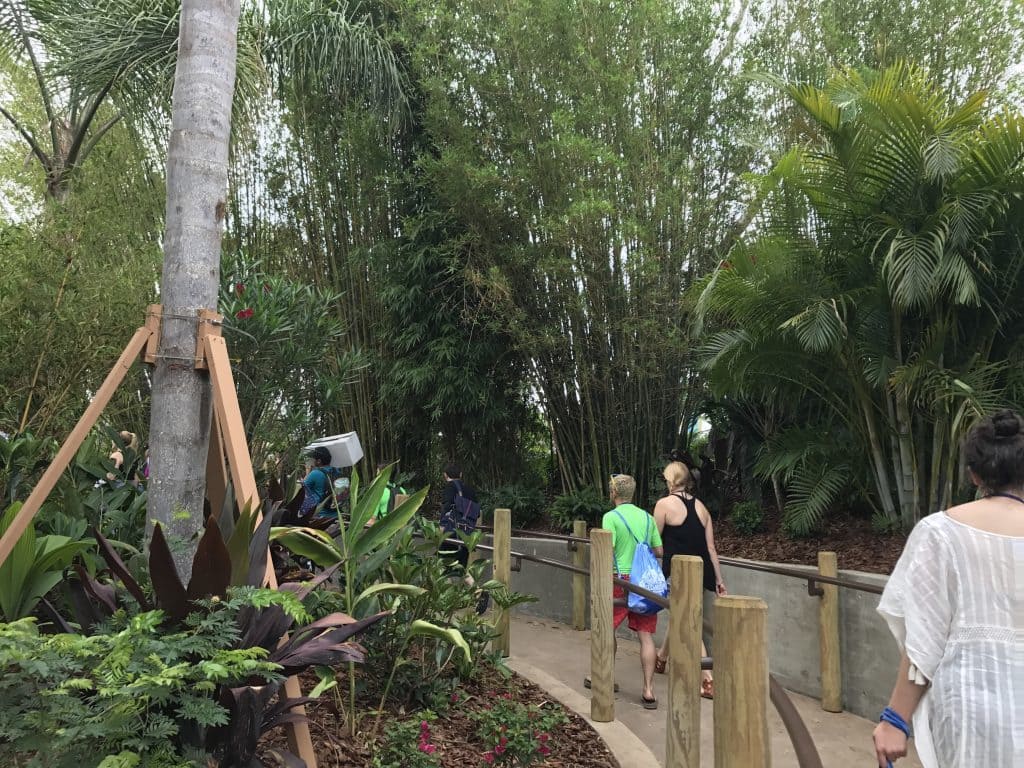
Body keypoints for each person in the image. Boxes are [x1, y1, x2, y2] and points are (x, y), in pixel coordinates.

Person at [873, 409, 1024, 768]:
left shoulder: (940, 531)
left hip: (970, 711)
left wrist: (896, 718)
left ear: (973, 474)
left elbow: (924, 641)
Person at [652, 460, 726, 698]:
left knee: (687, 619)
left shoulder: (663, 504)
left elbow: (655, 542)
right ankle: (662, 658)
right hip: (701, 570)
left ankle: (707, 678)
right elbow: (711, 548)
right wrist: (718, 579)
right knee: (682, 615)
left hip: (679, 572)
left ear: (670, 480)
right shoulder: (702, 508)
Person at [600, 473, 664, 710]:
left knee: (607, 627)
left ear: (613, 493)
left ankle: (605, 677)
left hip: (621, 578)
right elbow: (659, 550)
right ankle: (648, 689)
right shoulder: (648, 518)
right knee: (646, 635)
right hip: (644, 581)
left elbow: (606, 548)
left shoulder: (610, 517)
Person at [438, 463, 489, 614]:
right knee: (459, 568)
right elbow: (477, 513)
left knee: (442, 564)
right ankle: (478, 591)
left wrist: (442, 529)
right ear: (461, 474)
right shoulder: (470, 491)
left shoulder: (450, 488)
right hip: (466, 534)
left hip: (451, 533)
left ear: (445, 475)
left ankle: (446, 601)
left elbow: (447, 509)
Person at [298, 446, 336, 519]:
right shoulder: (336, 471)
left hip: (320, 516)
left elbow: (302, 490)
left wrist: (308, 472)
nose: (312, 461)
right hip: (336, 514)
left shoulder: (315, 473)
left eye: (313, 459)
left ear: (319, 461)